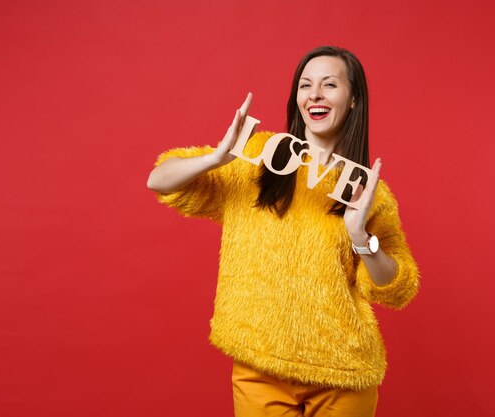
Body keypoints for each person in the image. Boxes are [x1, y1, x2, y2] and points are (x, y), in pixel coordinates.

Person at [147, 45, 419, 417]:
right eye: (306, 85)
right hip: (260, 365)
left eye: (329, 85)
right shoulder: (257, 157)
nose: (315, 95)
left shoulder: (368, 193)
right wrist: (216, 157)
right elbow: (160, 180)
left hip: (343, 373)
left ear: (354, 99)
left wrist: (360, 238)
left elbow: (398, 288)